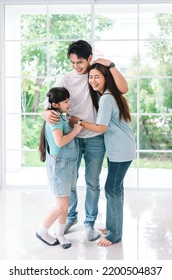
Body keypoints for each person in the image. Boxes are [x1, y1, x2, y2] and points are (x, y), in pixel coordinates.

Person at [43, 40, 128, 241]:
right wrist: (44, 114)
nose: (76, 67)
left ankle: (89, 222)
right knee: (70, 183)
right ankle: (70, 217)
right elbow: (49, 105)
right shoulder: (65, 79)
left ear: (90, 58)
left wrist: (110, 64)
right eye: (72, 63)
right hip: (71, 138)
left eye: (80, 62)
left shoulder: (97, 75)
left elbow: (123, 89)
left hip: (95, 138)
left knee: (92, 182)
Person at [74, 63, 136, 246]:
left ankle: (114, 235)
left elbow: (101, 128)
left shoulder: (107, 98)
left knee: (112, 189)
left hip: (121, 151)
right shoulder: (110, 95)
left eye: (97, 77)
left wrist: (80, 122)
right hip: (121, 150)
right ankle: (112, 227)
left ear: (105, 78)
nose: (92, 80)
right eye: (90, 77)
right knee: (115, 189)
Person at [37, 87, 83, 249]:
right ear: (55, 105)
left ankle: (60, 234)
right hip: (60, 166)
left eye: (68, 100)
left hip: (69, 165)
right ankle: (42, 231)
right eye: (65, 101)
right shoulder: (55, 118)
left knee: (66, 202)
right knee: (62, 205)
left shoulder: (61, 116)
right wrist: (76, 130)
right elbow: (60, 142)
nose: (69, 103)